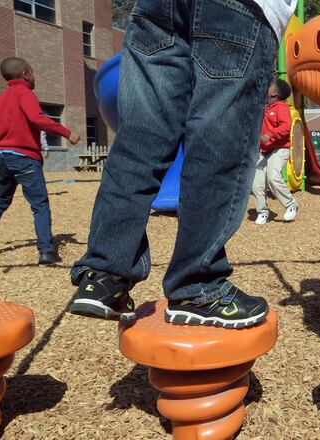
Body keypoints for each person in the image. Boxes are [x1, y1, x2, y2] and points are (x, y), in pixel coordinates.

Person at [69, 0, 296, 328]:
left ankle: (103, 274)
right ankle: (197, 288)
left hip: (157, 8)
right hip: (237, 9)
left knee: (140, 139)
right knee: (217, 146)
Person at [0, 57, 80, 265]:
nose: (33, 77)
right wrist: (67, 133)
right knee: (39, 204)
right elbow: (37, 118)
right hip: (24, 158)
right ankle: (47, 251)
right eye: (32, 72)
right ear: (25, 74)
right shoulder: (25, 94)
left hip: (3, 158)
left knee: (1, 198)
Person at [252, 78, 299, 225]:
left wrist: (270, 134)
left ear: (274, 92)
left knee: (273, 177)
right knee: (255, 184)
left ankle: (291, 204)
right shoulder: (264, 107)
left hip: (279, 149)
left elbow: (286, 127)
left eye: (270, 85)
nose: (267, 85)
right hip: (264, 151)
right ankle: (263, 211)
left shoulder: (281, 107)